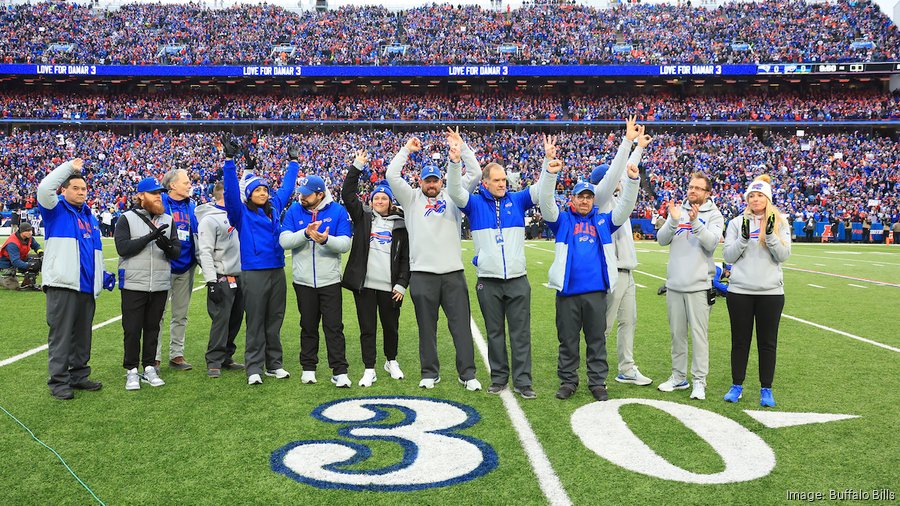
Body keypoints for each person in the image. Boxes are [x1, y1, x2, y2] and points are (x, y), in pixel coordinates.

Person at [538, 137, 642, 402]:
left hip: (596, 293)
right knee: (568, 341)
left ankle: (597, 382)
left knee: (596, 340)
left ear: (593, 199)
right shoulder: (561, 220)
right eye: (580, 197)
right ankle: (568, 381)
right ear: (572, 199)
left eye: (588, 197)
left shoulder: (604, 220)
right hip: (568, 292)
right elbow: (546, 203)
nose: (584, 201)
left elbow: (625, 208)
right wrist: (550, 173)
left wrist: (632, 181)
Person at [445, 127, 542, 399]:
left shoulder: (518, 200)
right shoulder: (474, 204)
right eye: (497, 180)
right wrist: (456, 159)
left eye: (504, 180)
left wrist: (548, 164)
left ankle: (524, 382)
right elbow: (453, 189)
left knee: (520, 334)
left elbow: (539, 189)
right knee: (495, 332)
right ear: (485, 182)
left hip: (517, 279)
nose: (502, 184)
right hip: (488, 281)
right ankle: (499, 378)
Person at [385, 135, 482, 391]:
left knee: (461, 327)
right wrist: (406, 149)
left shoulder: (453, 195)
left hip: (453, 274)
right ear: (420, 181)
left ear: (441, 180)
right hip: (422, 275)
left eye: (435, 180)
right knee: (426, 329)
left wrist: (462, 148)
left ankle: (467, 373)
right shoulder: (411, 198)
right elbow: (392, 175)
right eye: (427, 180)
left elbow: (476, 173)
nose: (431, 184)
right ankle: (430, 372)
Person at [221, 137, 299, 386]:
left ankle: (274, 364)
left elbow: (286, 188)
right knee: (255, 320)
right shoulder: (240, 213)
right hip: (254, 272)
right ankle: (254, 367)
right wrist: (229, 162)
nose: (263, 193)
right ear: (249, 195)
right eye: (257, 190)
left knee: (275, 319)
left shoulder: (274, 207)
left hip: (277, 270)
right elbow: (232, 192)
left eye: (265, 189)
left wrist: (294, 162)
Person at [37, 158, 111, 400]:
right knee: (61, 336)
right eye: (75, 188)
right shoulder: (54, 211)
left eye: (84, 189)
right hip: (63, 284)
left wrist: (101, 275)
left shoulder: (89, 216)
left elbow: (93, 252)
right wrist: (69, 168)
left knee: (82, 335)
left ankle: (79, 376)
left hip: (86, 287)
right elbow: (44, 188)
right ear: (64, 190)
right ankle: (58, 382)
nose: (81, 193)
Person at [588, 117, 654, 388]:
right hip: (612, 271)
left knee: (629, 321)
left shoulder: (616, 199)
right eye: (611, 178)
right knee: (604, 324)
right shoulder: (599, 199)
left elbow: (629, 176)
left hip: (628, 270)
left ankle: (626, 368)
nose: (617, 181)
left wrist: (638, 148)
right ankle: (596, 369)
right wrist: (629, 143)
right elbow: (618, 172)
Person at [341, 150, 410, 387]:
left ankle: (391, 360)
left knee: (391, 327)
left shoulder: (401, 224)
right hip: (366, 285)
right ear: (371, 201)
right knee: (367, 329)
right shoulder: (363, 218)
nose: (379, 201)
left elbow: (406, 258)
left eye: (384, 198)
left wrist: (402, 283)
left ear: (391, 201)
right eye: (376, 198)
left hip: (390, 286)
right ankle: (369, 368)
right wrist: (357, 166)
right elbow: (347, 194)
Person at [722, 175, 791, 407]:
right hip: (740, 291)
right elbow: (728, 256)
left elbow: (783, 256)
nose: (755, 199)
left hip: (770, 293)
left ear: (768, 198)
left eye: (760, 195)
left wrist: (770, 236)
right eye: (752, 195)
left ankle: (766, 389)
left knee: (767, 343)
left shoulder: (780, 222)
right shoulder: (735, 222)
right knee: (740, 341)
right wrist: (742, 239)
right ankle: (737, 385)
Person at [280, 174, 353, 387]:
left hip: (329, 280)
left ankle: (339, 370)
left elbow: (345, 244)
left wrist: (325, 240)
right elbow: (284, 240)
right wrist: (305, 233)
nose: (301, 197)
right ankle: (308, 367)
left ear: (320, 194)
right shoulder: (294, 210)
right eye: (300, 193)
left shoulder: (338, 211)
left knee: (334, 327)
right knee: (308, 326)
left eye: (306, 194)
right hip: (303, 281)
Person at [656, 171, 724, 401]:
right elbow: (661, 239)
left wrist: (695, 223)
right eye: (690, 186)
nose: (692, 190)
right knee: (677, 336)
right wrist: (674, 220)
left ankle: (699, 381)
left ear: (707, 193)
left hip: (698, 285)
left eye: (698, 188)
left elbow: (711, 243)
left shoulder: (715, 215)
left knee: (699, 336)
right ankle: (678, 377)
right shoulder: (678, 210)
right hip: (675, 284)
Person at [115, 177, 181, 391]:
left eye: (159, 193)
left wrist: (167, 247)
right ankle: (132, 370)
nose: (158, 197)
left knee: (153, 327)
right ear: (141, 196)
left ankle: (149, 366)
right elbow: (123, 248)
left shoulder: (168, 220)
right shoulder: (126, 218)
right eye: (154, 193)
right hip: (134, 283)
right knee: (132, 329)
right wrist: (150, 237)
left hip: (160, 282)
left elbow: (177, 251)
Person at [196, 182, 245, 378]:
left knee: (235, 319)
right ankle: (213, 360)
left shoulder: (237, 215)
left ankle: (227, 356)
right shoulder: (209, 220)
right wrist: (211, 281)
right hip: (222, 275)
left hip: (240, 274)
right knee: (221, 320)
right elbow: (205, 251)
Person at [157, 168, 199, 371]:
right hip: (163, 265)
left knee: (180, 314)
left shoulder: (192, 206)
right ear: (172, 185)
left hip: (186, 266)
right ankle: (153, 357)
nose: (190, 184)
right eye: (186, 182)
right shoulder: (159, 203)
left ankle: (177, 355)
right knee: (157, 314)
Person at [0, 221, 42, 290]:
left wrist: (41, 253)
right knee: (14, 286)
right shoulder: (13, 243)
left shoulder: (29, 238)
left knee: (37, 261)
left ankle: (28, 282)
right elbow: (15, 261)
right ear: (22, 232)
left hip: (21, 258)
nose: (30, 232)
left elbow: (36, 246)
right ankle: (2, 279)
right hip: (7, 263)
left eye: (31, 230)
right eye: (28, 231)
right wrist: (29, 266)